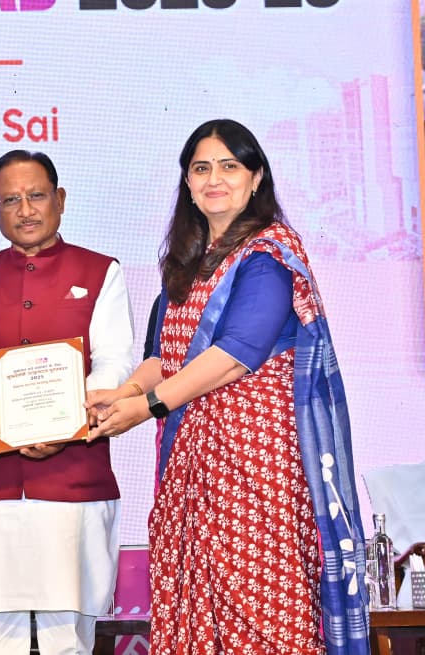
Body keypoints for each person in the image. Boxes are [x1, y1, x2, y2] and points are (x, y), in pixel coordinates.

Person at [88, 119, 369, 655]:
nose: (214, 179)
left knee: (260, 610)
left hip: (254, 467)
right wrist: (123, 394)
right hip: (193, 468)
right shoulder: (188, 261)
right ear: (187, 182)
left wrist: (147, 408)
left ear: (256, 177)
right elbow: (163, 357)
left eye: (229, 166)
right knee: (197, 607)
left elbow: (235, 355)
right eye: (201, 168)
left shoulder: (269, 253)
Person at [0, 149, 135, 654]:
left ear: (60, 200)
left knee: (67, 641)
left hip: (72, 484)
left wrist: (63, 425)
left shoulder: (101, 272)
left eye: (37, 196)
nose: (25, 210)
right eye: (10, 200)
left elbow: (113, 364)